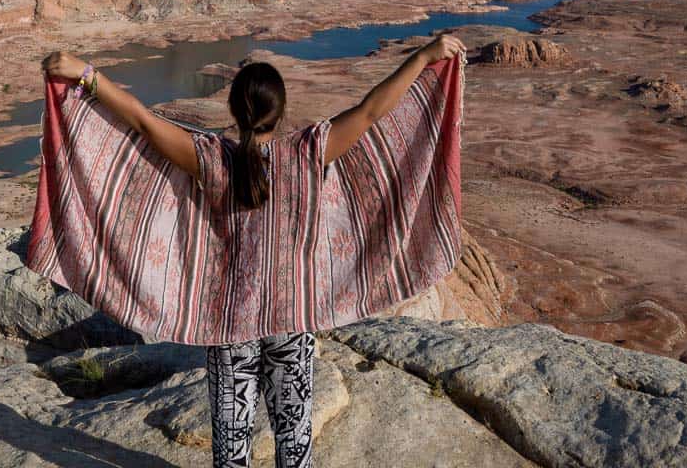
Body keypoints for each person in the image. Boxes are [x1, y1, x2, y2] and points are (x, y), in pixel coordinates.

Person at [41, 32, 466, 468]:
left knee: (231, 446)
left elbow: (143, 122)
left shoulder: (210, 158)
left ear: (233, 110)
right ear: (279, 113)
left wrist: (87, 75)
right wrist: (425, 56)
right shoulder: (309, 152)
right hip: (291, 320)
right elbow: (373, 110)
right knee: (295, 440)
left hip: (230, 328)